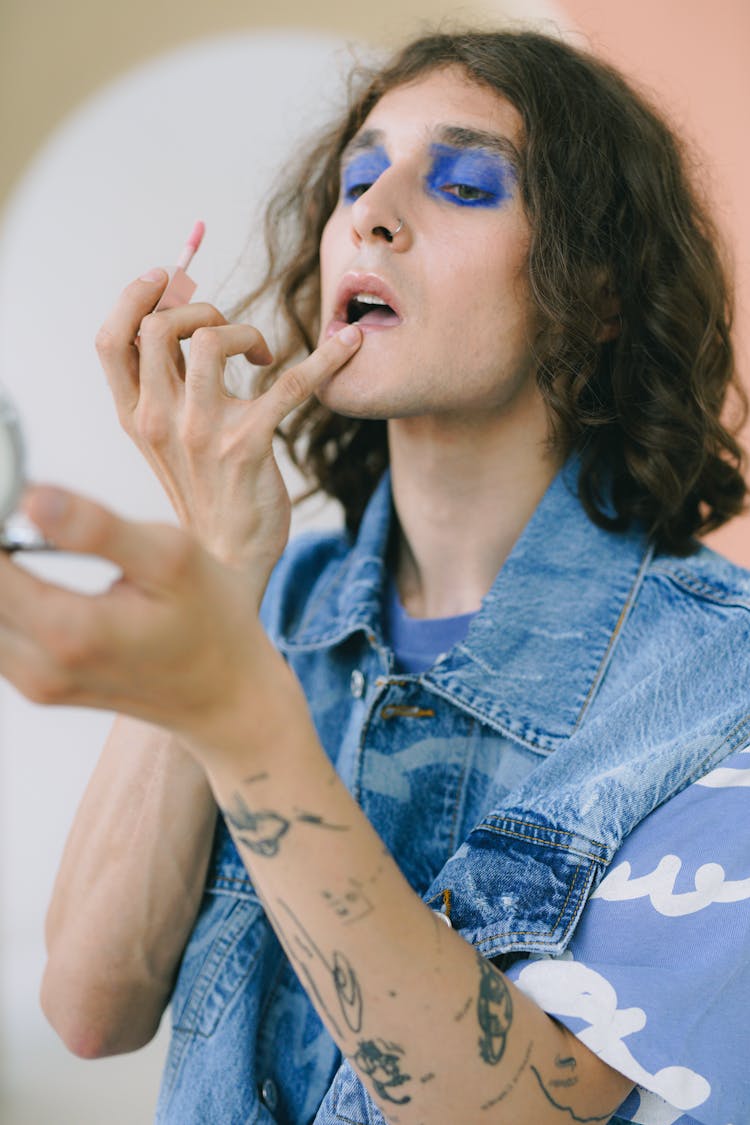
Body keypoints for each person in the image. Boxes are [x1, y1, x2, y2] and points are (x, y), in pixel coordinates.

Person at [1, 27, 748, 1125]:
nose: (372, 212)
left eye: (464, 183)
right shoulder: (271, 606)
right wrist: (219, 564)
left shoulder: (718, 685)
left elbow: (522, 1111)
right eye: (358, 178)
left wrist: (241, 723)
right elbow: (91, 1006)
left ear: (598, 293)